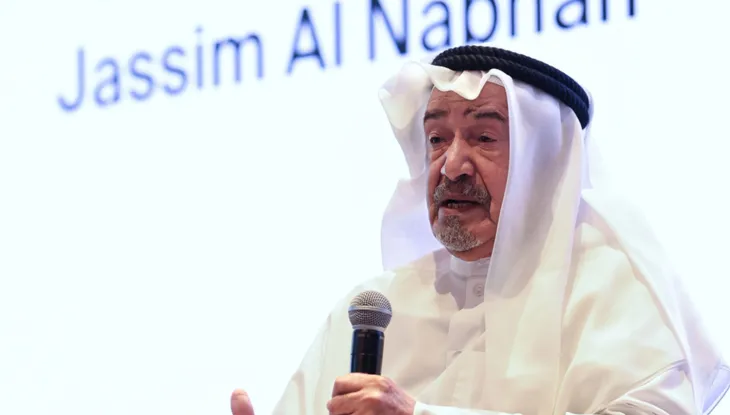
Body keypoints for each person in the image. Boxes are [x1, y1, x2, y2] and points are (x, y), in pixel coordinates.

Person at [230, 45, 730, 415]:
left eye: (484, 137)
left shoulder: (613, 290)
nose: (451, 166)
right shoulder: (373, 307)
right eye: (436, 139)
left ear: (543, 161)